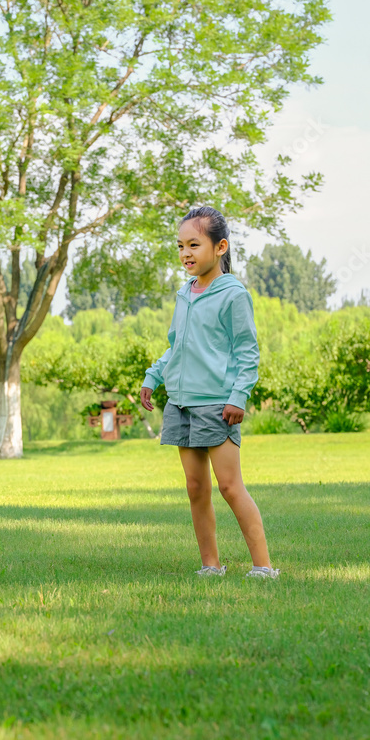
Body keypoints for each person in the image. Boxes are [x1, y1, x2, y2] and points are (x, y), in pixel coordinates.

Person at [140, 207, 278, 579]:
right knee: (196, 486)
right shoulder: (185, 293)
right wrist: (153, 376)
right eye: (180, 246)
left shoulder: (233, 295)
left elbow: (246, 350)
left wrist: (239, 396)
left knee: (231, 487)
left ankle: (264, 567)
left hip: (217, 404)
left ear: (220, 247)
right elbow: (177, 345)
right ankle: (210, 565)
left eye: (194, 245)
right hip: (182, 402)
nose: (185, 253)